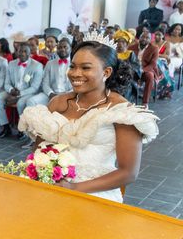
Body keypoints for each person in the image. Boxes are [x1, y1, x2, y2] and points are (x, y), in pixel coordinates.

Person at [19, 37, 158, 203]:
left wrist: (74, 189)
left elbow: (128, 172)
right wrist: (43, 171)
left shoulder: (122, 112)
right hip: (52, 184)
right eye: (73, 66)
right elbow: (39, 149)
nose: (75, 73)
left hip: (95, 190)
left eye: (85, 68)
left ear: (106, 72)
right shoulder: (57, 102)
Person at [0, 43, 43, 138]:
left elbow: (35, 87)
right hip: (13, 91)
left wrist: (19, 94)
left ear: (30, 54)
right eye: (20, 51)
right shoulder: (12, 64)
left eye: (25, 51)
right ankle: (5, 126)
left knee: (21, 103)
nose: (22, 53)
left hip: (28, 92)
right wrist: (11, 90)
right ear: (17, 52)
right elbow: (7, 83)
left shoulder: (37, 66)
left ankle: (23, 129)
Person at [27, 37, 72, 107]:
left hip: (68, 96)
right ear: (57, 49)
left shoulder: (75, 65)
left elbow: (76, 86)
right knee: (31, 101)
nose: (62, 49)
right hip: (51, 94)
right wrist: (50, 93)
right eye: (60, 47)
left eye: (65, 47)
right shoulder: (50, 63)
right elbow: (45, 83)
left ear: (70, 48)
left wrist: (65, 95)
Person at [129, 31, 158, 107]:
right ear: (139, 38)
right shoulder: (131, 47)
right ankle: (128, 99)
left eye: (147, 37)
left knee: (150, 76)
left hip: (145, 70)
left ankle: (145, 102)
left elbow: (153, 64)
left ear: (150, 40)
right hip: (133, 70)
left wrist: (142, 70)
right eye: (142, 37)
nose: (144, 39)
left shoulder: (154, 49)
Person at [114, 29, 140, 101]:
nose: (120, 44)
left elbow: (136, 67)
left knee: (125, 88)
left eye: (123, 42)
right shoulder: (113, 53)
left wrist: (126, 70)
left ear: (127, 43)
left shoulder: (130, 54)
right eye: (118, 41)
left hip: (126, 79)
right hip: (113, 78)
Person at [153, 29, 173, 99]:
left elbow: (166, 56)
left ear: (163, 35)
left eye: (159, 35)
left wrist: (155, 54)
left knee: (159, 66)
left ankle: (163, 91)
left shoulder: (166, 43)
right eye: (156, 34)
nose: (157, 36)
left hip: (162, 61)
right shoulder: (152, 43)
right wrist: (158, 55)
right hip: (153, 60)